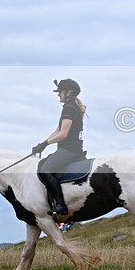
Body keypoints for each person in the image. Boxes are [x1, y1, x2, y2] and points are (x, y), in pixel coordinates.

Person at [32, 79, 87, 217]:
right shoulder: (71, 106)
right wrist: (43, 143)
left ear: (69, 93)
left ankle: (61, 205)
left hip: (70, 150)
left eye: (60, 92)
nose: (58, 95)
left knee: (45, 170)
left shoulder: (70, 108)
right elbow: (58, 130)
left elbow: (63, 134)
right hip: (70, 149)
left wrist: (46, 144)